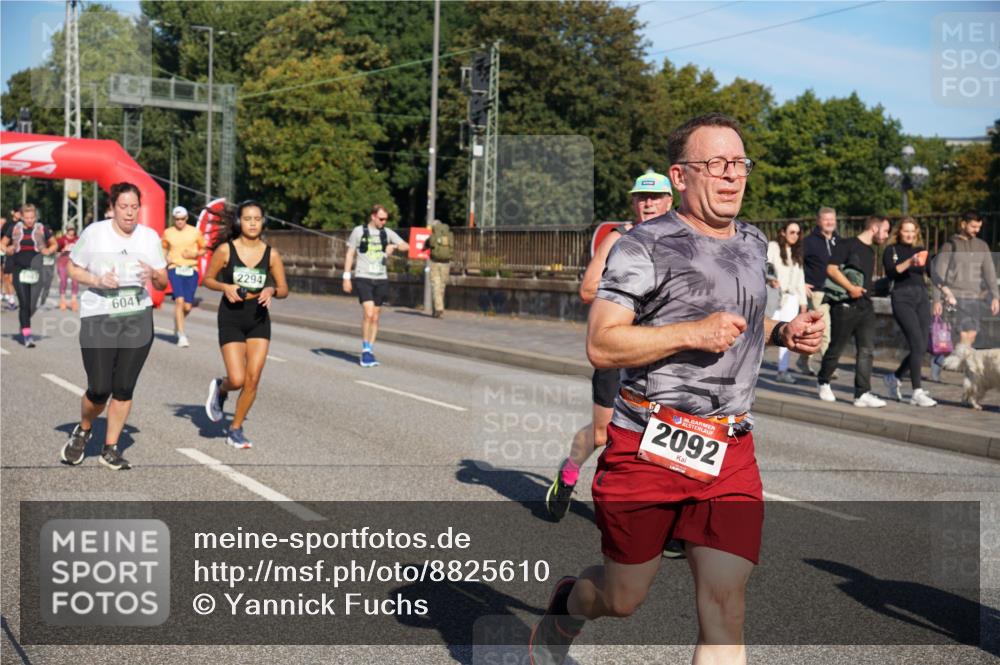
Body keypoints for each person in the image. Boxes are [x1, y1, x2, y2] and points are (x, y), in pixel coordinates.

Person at [529, 113, 825, 665]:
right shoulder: (642, 245)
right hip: (648, 445)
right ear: (681, 177)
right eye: (716, 164)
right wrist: (693, 332)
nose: (732, 176)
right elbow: (603, 343)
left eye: (739, 163)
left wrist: (784, 332)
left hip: (728, 451)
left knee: (725, 607)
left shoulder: (753, 242)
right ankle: (568, 606)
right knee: (621, 598)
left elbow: (741, 324)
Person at [546, 170, 673, 522]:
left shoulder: (682, 239)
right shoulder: (619, 238)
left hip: (661, 353)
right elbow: (587, 290)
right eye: (641, 198)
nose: (648, 204)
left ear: (669, 200)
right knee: (603, 433)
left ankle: (663, 515)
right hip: (617, 346)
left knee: (663, 435)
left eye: (655, 197)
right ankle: (569, 472)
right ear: (633, 202)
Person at [59, 182, 168, 470]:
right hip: (99, 315)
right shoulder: (95, 233)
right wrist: (97, 281)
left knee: (123, 387)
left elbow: (162, 282)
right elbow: (72, 267)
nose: (130, 213)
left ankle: (111, 447)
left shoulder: (149, 237)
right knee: (99, 387)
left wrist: (152, 274)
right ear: (113, 207)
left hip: (137, 315)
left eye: (134, 207)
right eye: (124, 207)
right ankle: (83, 429)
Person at [203, 200, 289, 449]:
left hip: (258, 317)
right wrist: (224, 286)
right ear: (240, 222)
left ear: (263, 222)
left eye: (257, 219)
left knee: (253, 379)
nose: (252, 223)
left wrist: (272, 289)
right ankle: (221, 388)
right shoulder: (226, 250)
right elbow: (207, 279)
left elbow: (284, 289)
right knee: (237, 379)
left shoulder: (270, 253)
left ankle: (235, 428)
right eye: (248, 219)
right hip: (231, 315)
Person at [816, 215, 891, 407]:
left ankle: (861, 394)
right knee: (837, 347)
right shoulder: (847, 244)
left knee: (866, 350)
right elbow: (831, 269)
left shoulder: (870, 251)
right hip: (844, 305)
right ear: (875, 228)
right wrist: (850, 288)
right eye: (885, 230)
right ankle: (823, 381)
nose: (887, 235)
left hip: (865, 305)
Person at [931, 210, 1000, 381]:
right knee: (964, 334)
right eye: (973, 226)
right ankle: (966, 372)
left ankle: (941, 361)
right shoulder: (950, 245)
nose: (977, 229)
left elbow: (990, 273)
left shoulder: (982, 246)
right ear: (963, 224)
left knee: (972, 335)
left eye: (979, 227)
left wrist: (996, 296)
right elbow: (938, 274)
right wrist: (937, 299)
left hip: (975, 296)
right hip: (954, 296)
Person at [342, 204, 408, 367]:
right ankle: (364, 351)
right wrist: (346, 277)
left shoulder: (387, 232)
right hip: (363, 277)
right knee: (369, 313)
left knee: (376, 316)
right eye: (381, 218)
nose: (384, 222)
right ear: (373, 216)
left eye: (386, 219)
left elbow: (407, 246)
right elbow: (350, 253)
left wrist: (395, 247)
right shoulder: (359, 231)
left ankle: (370, 350)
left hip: (381, 278)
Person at [882, 217, 937, 407]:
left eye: (913, 231)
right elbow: (891, 272)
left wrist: (945, 293)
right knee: (916, 342)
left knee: (921, 347)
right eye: (906, 231)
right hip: (902, 297)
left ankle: (894, 377)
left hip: (921, 297)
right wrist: (910, 262)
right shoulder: (891, 250)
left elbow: (932, 274)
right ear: (899, 232)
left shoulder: (921, 251)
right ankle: (916, 392)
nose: (910, 235)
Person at [0, 203, 57, 347]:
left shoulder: (41, 228)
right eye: (27, 217)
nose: (30, 220)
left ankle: (24, 323)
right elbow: (2, 244)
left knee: (33, 304)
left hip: (36, 270)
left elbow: (54, 244)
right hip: (19, 269)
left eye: (32, 217)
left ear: (35, 217)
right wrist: (8, 249)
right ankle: (27, 335)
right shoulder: (14, 228)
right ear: (22, 217)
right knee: (24, 303)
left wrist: (48, 251)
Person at [767, 221, 808, 384]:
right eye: (792, 232)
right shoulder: (773, 247)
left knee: (787, 335)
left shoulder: (796, 252)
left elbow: (800, 279)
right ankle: (749, 369)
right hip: (774, 295)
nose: (795, 236)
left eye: (798, 233)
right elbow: (765, 266)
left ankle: (782, 371)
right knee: (764, 333)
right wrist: (770, 280)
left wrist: (803, 303)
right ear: (783, 232)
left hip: (791, 298)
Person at [801, 207, 840, 376]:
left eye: (832, 219)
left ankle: (802, 361)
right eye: (826, 219)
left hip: (837, 293)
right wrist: (800, 284)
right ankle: (828, 369)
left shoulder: (839, 241)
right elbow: (796, 262)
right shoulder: (809, 242)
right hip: (817, 293)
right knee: (825, 330)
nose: (830, 222)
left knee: (816, 331)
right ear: (818, 221)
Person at [161, 205, 206, 348]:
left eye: (182, 219)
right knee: (179, 301)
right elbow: (163, 248)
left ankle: (177, 322)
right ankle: (181, 334)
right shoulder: (168, 232)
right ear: (173, 219)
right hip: (175, 268)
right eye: (176, 219)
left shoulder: (195, 232)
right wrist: (164, 259)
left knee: (187, 306)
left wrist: (195, 254)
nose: (179, 222)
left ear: (187, 218)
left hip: (191, 270)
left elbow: (204, 248)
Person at [427, 219, 454, 318]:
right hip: (446, 263)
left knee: (435, 285)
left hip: (435, 262)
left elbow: (429, 244)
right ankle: (436, 311)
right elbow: (452, 247)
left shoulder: (434, 233)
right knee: (442, 286)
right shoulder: (448, 233)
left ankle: (438, 308)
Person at [56, 225, 80, 311]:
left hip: (73, 263)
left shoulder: (78, 239)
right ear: (66, 230)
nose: (71, 231)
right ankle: (63, 300)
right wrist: (63, 250)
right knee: (63, 281)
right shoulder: (61, 240)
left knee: (75, 282)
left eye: (73, 229)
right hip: (63, 262)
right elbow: (56, 251)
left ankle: (73, 301)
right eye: (69, 229)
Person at [2, 210, 19, 310]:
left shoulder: (22, 225)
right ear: (13, 213)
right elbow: (3, 240)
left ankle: (12, 297)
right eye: (18, 212)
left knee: (12, 277)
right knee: (6, 276)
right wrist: (6, 248)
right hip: (7, 252)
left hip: (19, 253)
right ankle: (8, 295)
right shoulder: (8, 225)